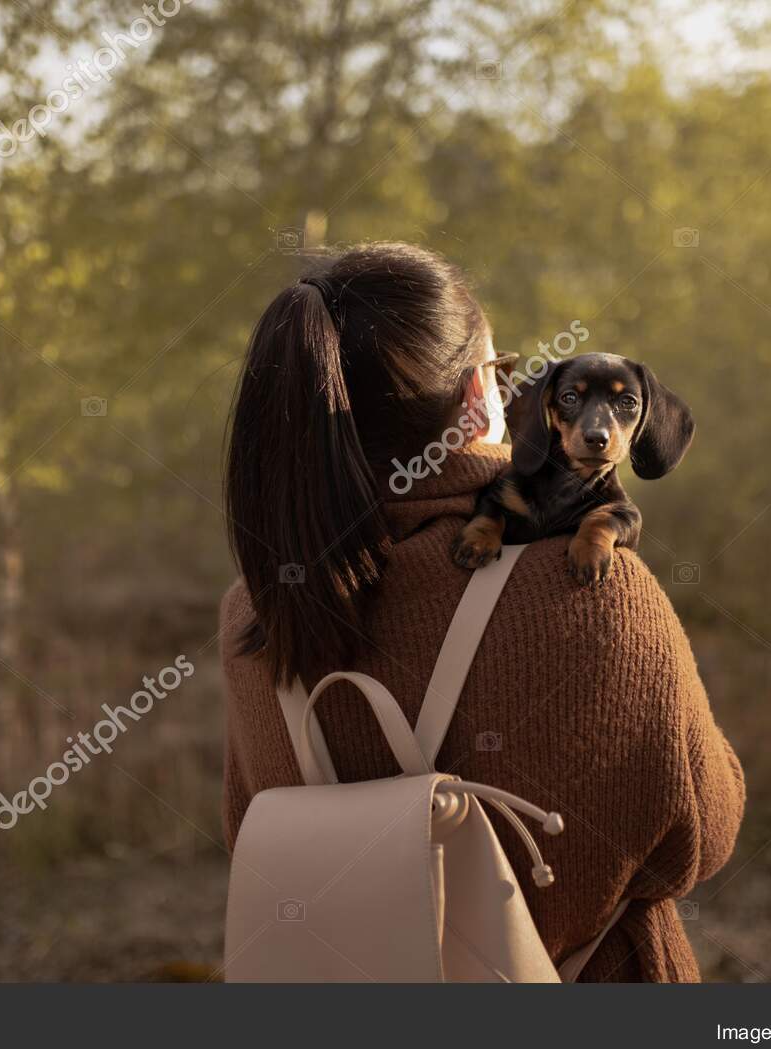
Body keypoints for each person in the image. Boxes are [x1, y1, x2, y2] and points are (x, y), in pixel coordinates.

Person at [218, 241, 744, 981]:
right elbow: (703, 832)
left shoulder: (260, 609)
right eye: (503, 376)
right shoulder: (599, 588)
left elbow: (252, 833)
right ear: (477, 400)